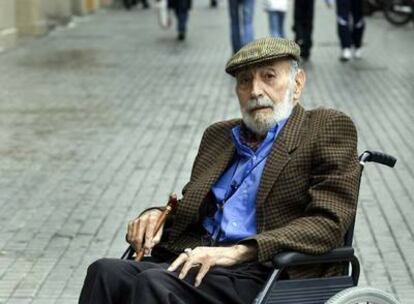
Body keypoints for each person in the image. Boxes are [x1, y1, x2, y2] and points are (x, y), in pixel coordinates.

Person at [79, 37, 360, 304]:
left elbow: (329, 221)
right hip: (199, 258)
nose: (255, 90)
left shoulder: (325, 127)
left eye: (269, 76)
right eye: (245, 81)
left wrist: (240, 251)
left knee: (155, 283)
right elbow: (191, 209)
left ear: (297, 84)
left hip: (265, 268)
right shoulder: (219, 136)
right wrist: (156, 216)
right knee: (105, 272)